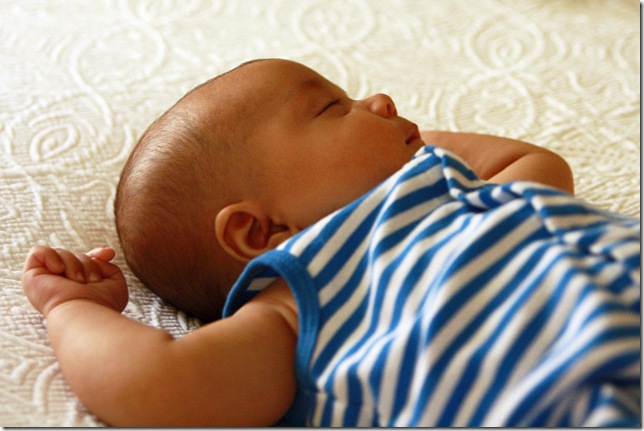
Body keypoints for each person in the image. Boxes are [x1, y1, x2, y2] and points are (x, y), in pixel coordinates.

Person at [22, 59, 639, 427]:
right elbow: (160, 384)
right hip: (569, 399)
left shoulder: (459, 195)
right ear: (261, 232)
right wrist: (71, 308)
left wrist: (404, 151)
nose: (381, 101)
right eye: (333, 108)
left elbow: (536, 164)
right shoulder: (298, 304)